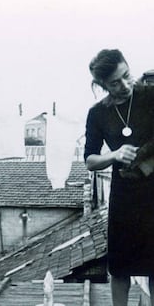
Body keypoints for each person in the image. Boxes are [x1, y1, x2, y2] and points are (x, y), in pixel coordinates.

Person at [84, 49, 154, 306]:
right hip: (124, 194)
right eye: (115, 83)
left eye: (127, 76)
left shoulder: (150, 96)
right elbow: (90, 160)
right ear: (102, 85)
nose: (125, 85)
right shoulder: (98, 114)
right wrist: (114, 155)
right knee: (121, 266)